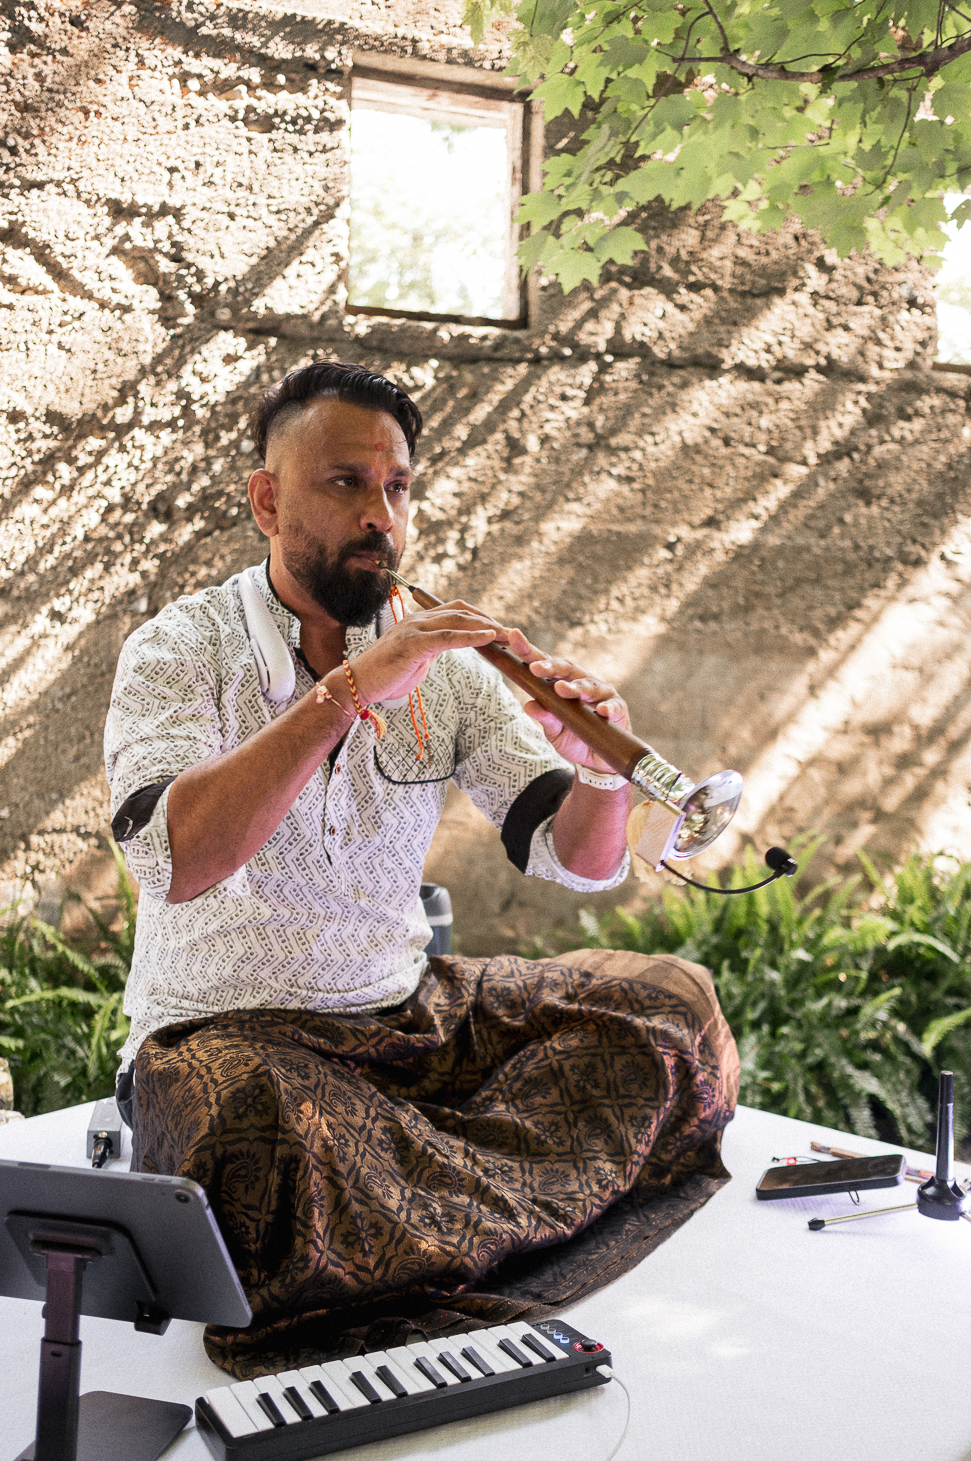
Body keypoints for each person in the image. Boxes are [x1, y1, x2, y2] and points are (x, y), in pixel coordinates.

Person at [105, 361, 738, 1377]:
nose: (381, 516)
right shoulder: (177, 650)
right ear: (268, 501)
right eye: (346, 483)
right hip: (229, 1034)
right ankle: (458, 1203)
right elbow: (176, 861)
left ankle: (408, 1216)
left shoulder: (440, 665)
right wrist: (349, 690)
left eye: (397, 486)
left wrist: (599, 769)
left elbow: (573, 858)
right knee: (258, 1131)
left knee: (669, 1008)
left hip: (405, 1016)